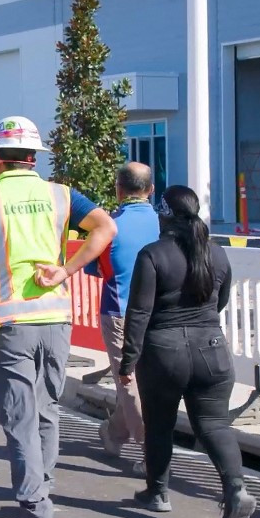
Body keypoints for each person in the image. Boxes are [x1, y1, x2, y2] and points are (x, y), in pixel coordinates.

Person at [0, 116, 116, 518]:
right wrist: (65, 270)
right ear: (33, 158)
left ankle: (35, 517)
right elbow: (106, 227)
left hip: (8, 326)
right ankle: (42, 490)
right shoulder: (61, 194)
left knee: (19, 418)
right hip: (55, 319)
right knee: (46, 411)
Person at [118, 185, 256, 518]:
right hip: (212, 348)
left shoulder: (153, 255)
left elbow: (139, 313)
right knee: (215, 425)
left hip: (163, 352)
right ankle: (236, 490)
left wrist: (128, 361)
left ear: (164, 216)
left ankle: (157, 492)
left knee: (160, 424)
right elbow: (220, 301)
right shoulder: (217, 253)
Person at [86, 162, 160, 473]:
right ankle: (119, 434)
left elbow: (96, 267)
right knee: (146, 383)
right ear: (151, 190)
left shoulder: (109, 226)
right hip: (158, 312)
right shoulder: (164, 224)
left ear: (118, 190)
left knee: (128, 382)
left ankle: (149, 450)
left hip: (119, 311)